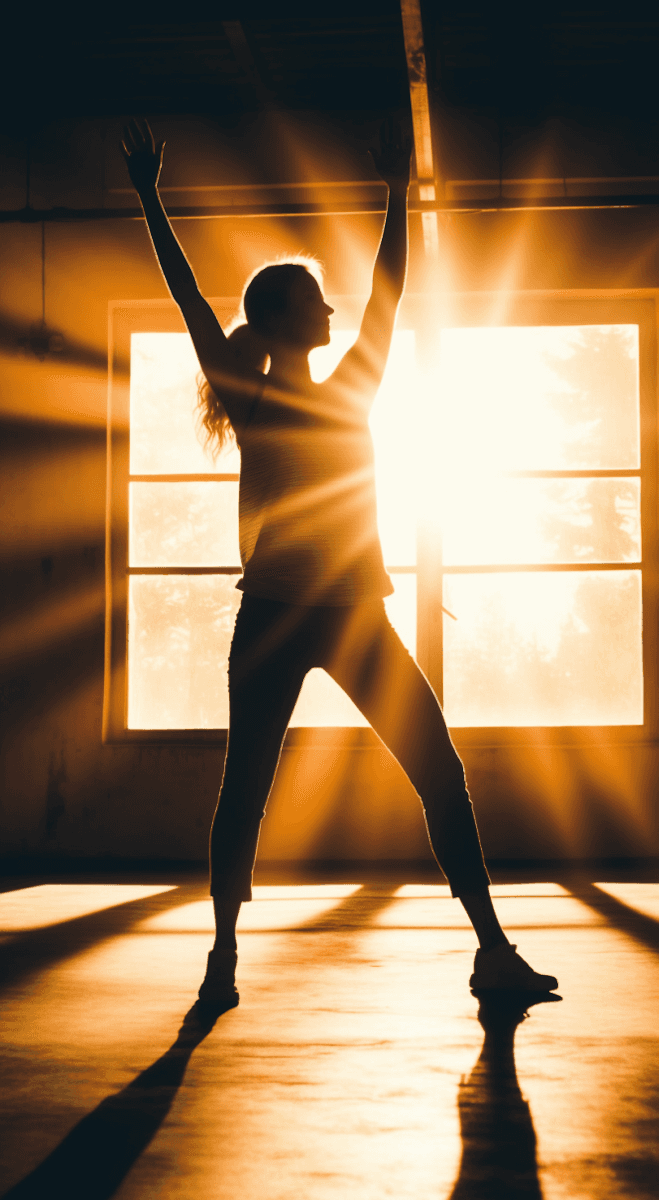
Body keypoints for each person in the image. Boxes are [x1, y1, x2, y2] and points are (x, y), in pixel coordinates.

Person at [121, 117, 558, 1016]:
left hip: (349, 611)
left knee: (434, 771)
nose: (332, 310)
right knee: (249, 784)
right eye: (315, 300)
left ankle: (490, 951)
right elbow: (195, 305)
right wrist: (149, 200)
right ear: (282, 318)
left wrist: (398, 195)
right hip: (283, 613)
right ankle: (222, 955)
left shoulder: (346, 386)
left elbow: (386, 297)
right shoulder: (254, 395)